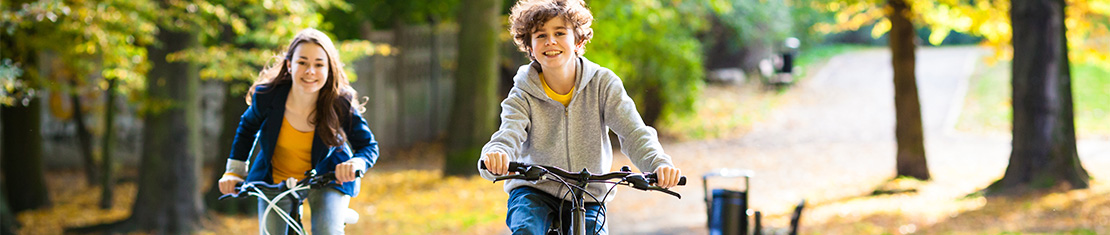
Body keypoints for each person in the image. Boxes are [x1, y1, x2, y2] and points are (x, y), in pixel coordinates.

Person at [477, 0, 682, 234]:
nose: (550, 41)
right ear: (530, 47)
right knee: (527, 228)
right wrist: (497, 155)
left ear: (578, 41)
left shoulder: (603, 84)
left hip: (589, 195)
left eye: (560, 32)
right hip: (534, 189)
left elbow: (634, 133)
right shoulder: (523, 92)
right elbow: (508, 134)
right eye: (540, 35)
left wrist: (659, 163)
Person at [216, 28, 378, 235]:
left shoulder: (339, 102)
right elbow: (247, 129)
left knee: (327, 230)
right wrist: (234, 172)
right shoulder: (268, 97)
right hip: (276, 180)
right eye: (302, 63)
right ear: (289, 66)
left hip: (326, 178)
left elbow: (368, 146)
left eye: (319, 65)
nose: (310, 71)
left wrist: (356, 163)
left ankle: (335, 215)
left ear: (329, 70)